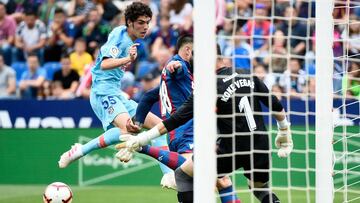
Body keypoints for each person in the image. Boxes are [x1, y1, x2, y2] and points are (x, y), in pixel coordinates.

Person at [118, 45, 293, 203]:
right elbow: (275, 104)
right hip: (260, 145)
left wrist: (143, 138)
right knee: (259, 189)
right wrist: (284, 130)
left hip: (231, 148)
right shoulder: (247, 74)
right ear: (221, 57)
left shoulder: (209, 86)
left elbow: (176, 120)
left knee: (183, 175)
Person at [58, 1, 174, 189]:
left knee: (158, 127)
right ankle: (83, 150)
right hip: (102, 92)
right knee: (128, 130)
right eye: (141, 23)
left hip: (116, 93)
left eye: (147, 22)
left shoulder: (128, 36)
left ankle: (168, 176)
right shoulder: (120, 37)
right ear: (129, 22)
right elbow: (104, 64)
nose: (145, 27)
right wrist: (128, 58)